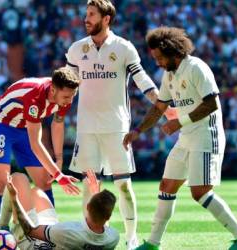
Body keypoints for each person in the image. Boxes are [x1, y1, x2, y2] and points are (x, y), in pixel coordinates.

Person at [123, 27, 237, 250]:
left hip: (206, 134)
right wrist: (138, 131)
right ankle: (153, 243)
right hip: (186, 137)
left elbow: (211, 104)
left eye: (159, 58)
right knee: (166, 186)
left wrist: (179, 122)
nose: (157, 63)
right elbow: (159, 107)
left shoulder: (196, 68)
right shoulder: (169, 75)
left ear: (172, 51)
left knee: (200, 192)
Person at [65, 1, 170, 248]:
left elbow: (141, 78)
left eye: (91, 15)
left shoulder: (124, 48)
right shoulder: (76, 49)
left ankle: (131, 239)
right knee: (89, 188)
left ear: (106, 19)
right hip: (87, 129)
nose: (86, 19)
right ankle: (90, 237)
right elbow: (66, 83)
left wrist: (162, 104)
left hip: (117, 128)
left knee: (123, 185)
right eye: (86, 15)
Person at [0, 67, 81, 240]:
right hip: (2, 125)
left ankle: (49, 234)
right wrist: (59, 175)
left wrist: (58, 158)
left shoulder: (66, 95)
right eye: (66, 97)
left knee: (44, 181)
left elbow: (57, 124)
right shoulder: (35, 97)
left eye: (73, 96)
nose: (69, 101)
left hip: (25, 127)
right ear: (53, 89)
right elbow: (36, 143)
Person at [3, 170, 119, 249]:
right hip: (53, 235)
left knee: (18, 178)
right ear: (108, 216)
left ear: (88, 207)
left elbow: (30, 230)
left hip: (34, 241)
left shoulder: (68, 232)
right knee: (36, 192)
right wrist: (95, 193)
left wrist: (15, 199)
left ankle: (1, 227)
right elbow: (103, 225)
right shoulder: (113, 238)